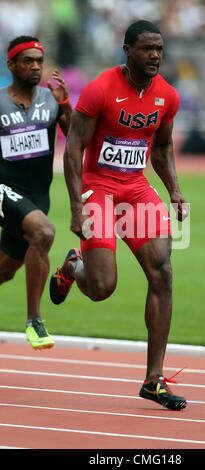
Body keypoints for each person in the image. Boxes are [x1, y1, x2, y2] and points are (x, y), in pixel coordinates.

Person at [50, 20, 189, 410]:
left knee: (162, 270)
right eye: (147, 49)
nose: (155, 56)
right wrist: (77, 207)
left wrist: (174, 190)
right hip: (99, 188)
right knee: (101, 288)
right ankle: (72, 267)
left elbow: (161, 150)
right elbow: (74, 150)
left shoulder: (167, 96)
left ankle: (154, 379)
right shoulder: (100, 90)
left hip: (136, 188)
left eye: (159, 48)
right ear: (127, 51)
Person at [0, 35, 72, 349]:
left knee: (5, 269)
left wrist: (65, 104)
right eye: (27, 61)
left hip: (36, 196)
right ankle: (35, 321)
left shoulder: (51, 99)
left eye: (39, 61)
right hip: (3, 189)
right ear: (11, 64)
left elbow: (76, 139)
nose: (35, 66)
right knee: (43, 232)